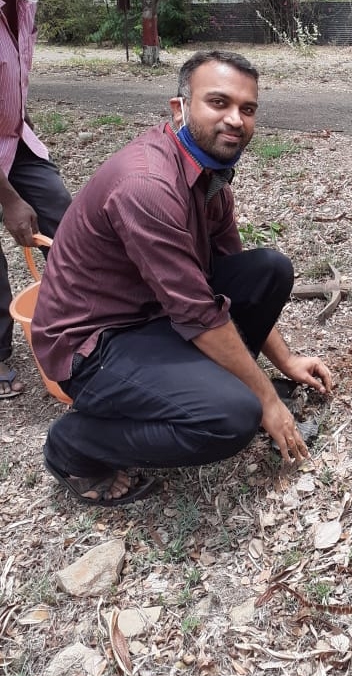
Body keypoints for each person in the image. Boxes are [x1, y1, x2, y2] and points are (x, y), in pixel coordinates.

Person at [32, 50, 332, 506]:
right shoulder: (148, 185)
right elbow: (198, 312)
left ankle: (214, 383)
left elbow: (225, 289)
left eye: (247, 109)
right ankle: (75, 445)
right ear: (180, 108)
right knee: (233, 418)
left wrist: (284, 361)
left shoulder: (210, 176)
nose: (235, 119)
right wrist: (267, 399)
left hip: (154, 316)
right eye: (218, 102)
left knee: (268, 270)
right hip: (93, 345)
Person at [0, 0, 71, 397]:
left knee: (64, 217)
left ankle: (83, 317)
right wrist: (7, 199)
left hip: (13, 139)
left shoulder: (22, 7)